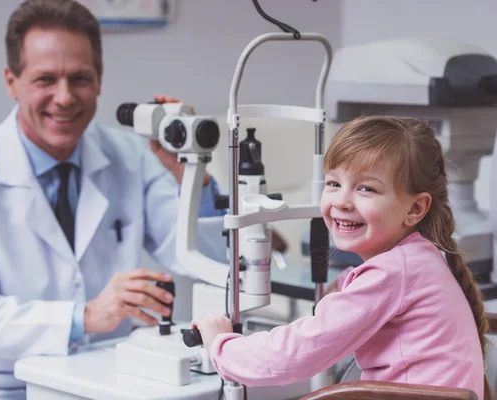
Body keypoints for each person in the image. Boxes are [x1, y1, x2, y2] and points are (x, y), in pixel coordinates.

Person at [0, 0, 274, 398]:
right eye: (45, 79)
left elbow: (215, 266)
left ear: (99, 81)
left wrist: (191, 176)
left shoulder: (131, 157)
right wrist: (83, 317)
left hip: (101, 377)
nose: (64, 97)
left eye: (79, 79)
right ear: (11, 81)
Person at [192, 115, 491, 400]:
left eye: (366, 188)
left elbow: (297, 352)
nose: (342, 201)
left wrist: (223, 346)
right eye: (333, 183)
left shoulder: (392, 273)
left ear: (414, 209)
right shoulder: (417, 258)